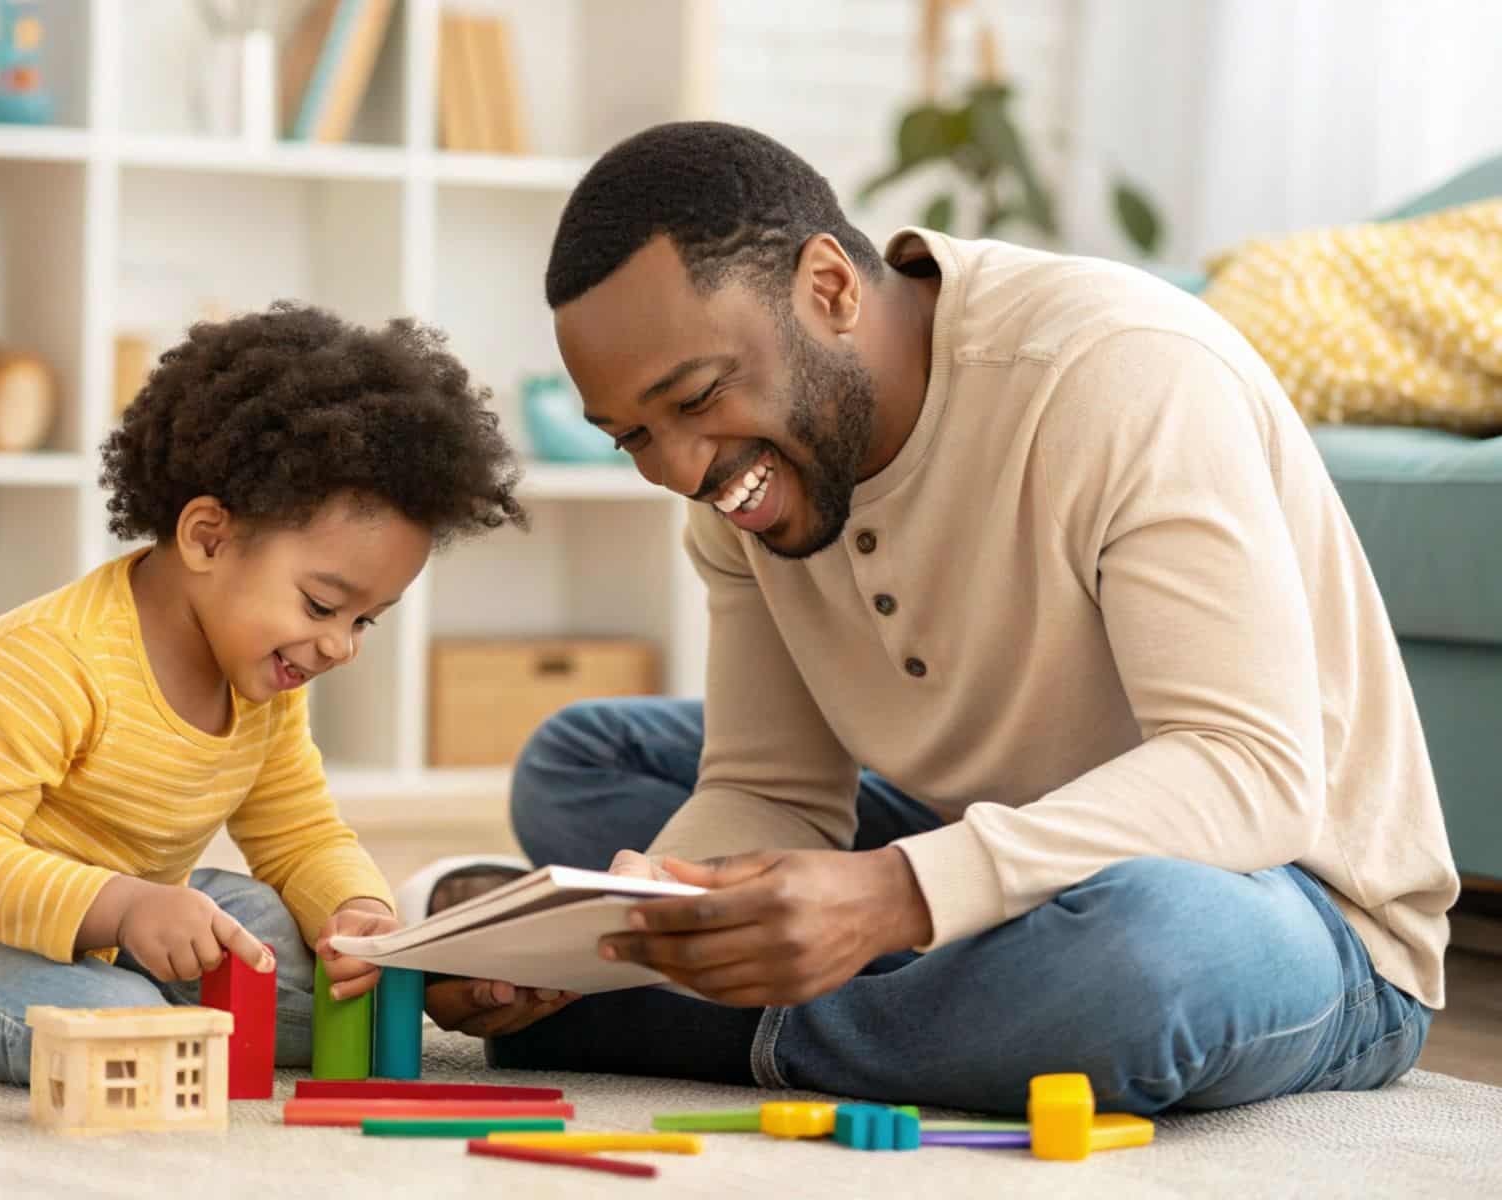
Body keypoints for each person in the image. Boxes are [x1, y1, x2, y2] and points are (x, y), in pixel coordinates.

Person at [422, 122, 1459, 1115]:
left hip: (1287, 900)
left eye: (695, 399)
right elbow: (769, 788)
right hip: (978, 832)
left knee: (1148, 955)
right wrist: (639, 915)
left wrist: (893, 897)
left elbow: (1251, 774)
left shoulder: (1119, 373)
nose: (682, 470)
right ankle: (858, 987)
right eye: (631, 436)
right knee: (582, 757)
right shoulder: (745, 490)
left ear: (827, 287)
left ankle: (695, 1025)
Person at [0, 304, 525, 1085]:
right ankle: (143, 1000)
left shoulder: (264, 679)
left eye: (366, 621)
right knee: (126, 1031)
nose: (338, 645)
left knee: (334, 976)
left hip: (120, 914)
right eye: (323, 606)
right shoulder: (51, 655)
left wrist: (357, 915)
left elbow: (301, 838)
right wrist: (124, 910)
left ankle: (166, 990)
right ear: (208, 538)